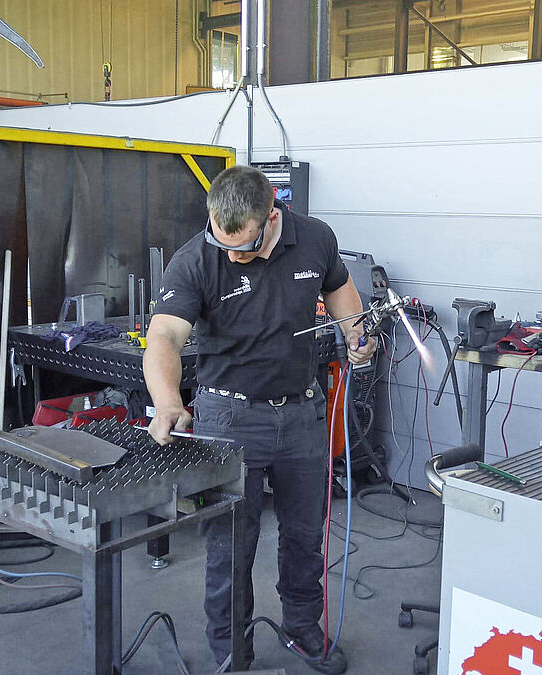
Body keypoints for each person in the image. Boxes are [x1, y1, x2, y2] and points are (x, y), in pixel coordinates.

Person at [144, 165, 375, 674]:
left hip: (302, 414)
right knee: (230, 545)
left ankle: (303, 630)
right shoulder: (195, 259)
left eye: (243, 247)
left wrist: (355, 335)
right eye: (221, 242)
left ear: (271, 217)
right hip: (227, 419)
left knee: (305, 536)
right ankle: (232, 649)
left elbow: (340, 290)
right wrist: (167, 400)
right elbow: (163, 336)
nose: (232, 256)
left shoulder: (315, 238)